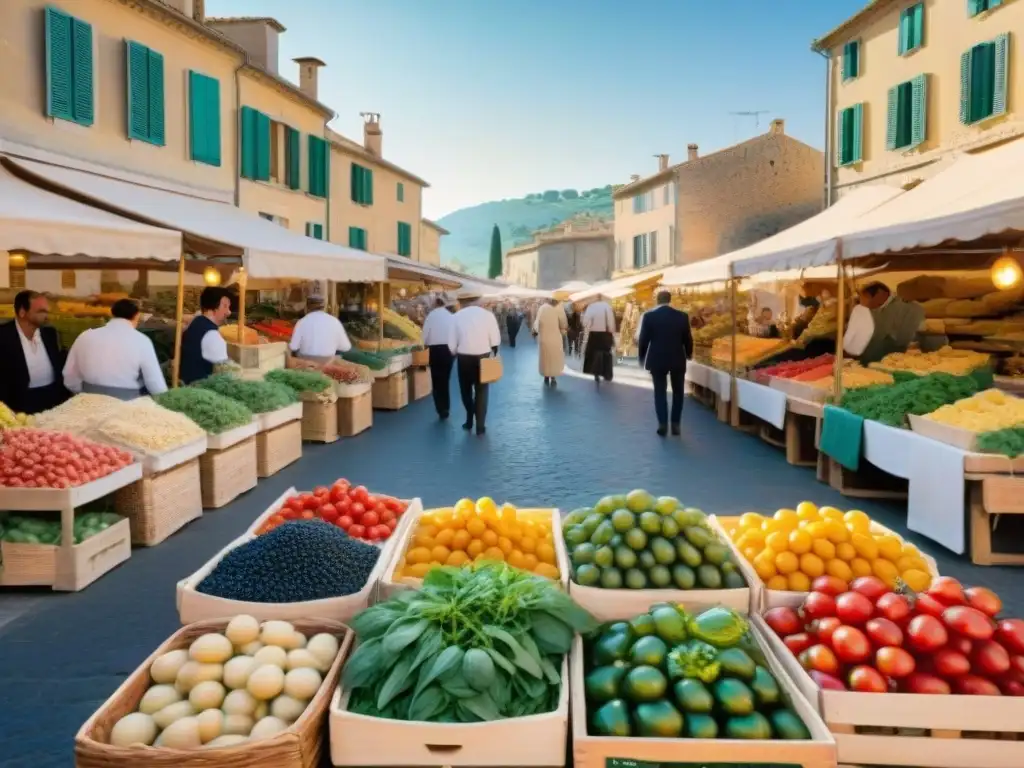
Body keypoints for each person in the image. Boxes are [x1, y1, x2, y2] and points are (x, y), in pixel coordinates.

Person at [62, 299, 166, 400]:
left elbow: (69, 376)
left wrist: (84, 393)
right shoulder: (142, 340)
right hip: (126, 403)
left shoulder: (85, 336)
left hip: (89, 400)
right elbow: (155, 384)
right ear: (136, 316)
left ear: (112, 314)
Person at [0, 290, 68, 413]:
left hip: (52, 399)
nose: (46, 316)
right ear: (22, 312)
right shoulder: (3, 335)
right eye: (41, 311)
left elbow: (59, 364)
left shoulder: (50, 334)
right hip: (19, 402)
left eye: (47, 311)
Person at [638, 290, 694, 437]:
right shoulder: (682, 316)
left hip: (657, 359)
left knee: (659, 392)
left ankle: (662, 424)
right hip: (677, 358)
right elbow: (688, 339)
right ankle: (675, 425)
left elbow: (644, 339)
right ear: (670, 300)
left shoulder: (649, 317)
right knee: (678, 392)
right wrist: (689, 354)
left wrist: (642, 357)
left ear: (657, 300)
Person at [450, 290, 501, 435]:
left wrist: (455, 351)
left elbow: (451, 344)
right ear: (477, 300)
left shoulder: (456, 317)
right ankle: (480, 425)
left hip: (464, 357)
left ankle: (469, 419)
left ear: (461, 301)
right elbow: (495, 340)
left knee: (465, 390)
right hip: (483, 356)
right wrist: (493, 351)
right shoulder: (488, 315)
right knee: (482, 390)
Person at [843, 281, 925, 366]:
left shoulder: (910, 309)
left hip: (888, 359)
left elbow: (903, 338)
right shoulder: (873, 307)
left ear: (880, 293)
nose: (864, 302)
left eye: (867, 298)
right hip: (869, 358)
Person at [179, 286, 233, 384]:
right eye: (225, 306)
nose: (228, 312)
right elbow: (224, 371)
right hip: (201, 389)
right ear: (212, 308)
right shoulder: (212, 335)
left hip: (186, 384)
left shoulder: (196, 321)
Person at [421, 297, 456, 419]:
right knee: (445, 380)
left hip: (435, 351)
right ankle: (446, 407)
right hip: (449, 351)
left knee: (436, 380)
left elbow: (424, 335)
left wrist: (423, 344)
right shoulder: (450, 316)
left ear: (436, 303)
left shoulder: (431, 316)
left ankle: (440, 409)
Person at [289, 297, 352, 363]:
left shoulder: (301, 322)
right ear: (323, 307)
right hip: (327, 362)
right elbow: (346, 347)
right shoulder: (335, 321)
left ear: (307, 308)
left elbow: (293, 347)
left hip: (306, 362)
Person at [533, 298, 567, 387]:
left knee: (546, 358)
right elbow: (564, 324)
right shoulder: (559, 309)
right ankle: (553, 377)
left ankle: (546, 376)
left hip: (544, 338)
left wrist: (535, 331)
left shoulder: (542, 308)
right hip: (555, 338)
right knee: (554, 358)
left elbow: (537, 322)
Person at [582, 294, 616, 383]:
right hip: (605, 333)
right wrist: (611, 332)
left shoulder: (591, 307)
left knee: (593, 353)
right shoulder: (607, 307)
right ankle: (607, 374)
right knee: (606, 354)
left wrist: (590, 325)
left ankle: (595, 372)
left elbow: (585, 322)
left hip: (594, 333)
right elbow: (611, 323)